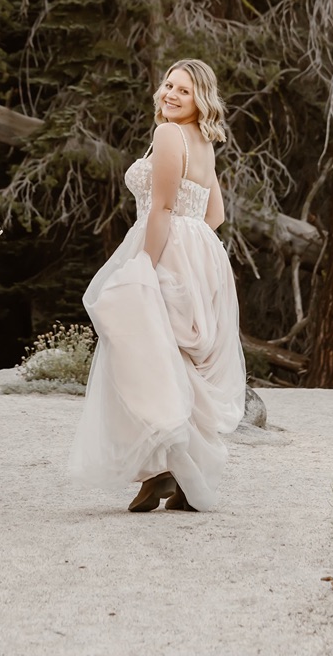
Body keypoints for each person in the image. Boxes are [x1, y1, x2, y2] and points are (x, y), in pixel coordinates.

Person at [68, 59, 247, 512]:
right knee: (177, 359)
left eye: (183, 90)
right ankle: (177, 475)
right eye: (168, 85)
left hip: (164, 246)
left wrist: (144, 268)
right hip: (198, 251)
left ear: (199, 99)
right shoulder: (204, 140)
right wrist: (195, 246)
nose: (170, 94)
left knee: (144, 354)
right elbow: (215, 215)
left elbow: (162, 209)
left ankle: (160, 471)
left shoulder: (169, 135)